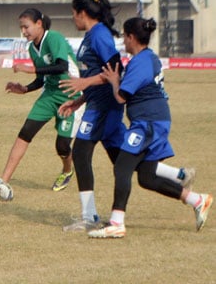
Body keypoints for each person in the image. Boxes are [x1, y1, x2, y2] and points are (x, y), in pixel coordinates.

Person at [57, 0, 195, 232]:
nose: (72, 18)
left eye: (73, 12)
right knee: (125, 163)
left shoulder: (99, 35)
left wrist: (85, 83)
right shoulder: (93, 34)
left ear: (82, 12)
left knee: (80, 153)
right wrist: (79, 100)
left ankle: (90, 217)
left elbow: (115, 70)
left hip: (104, 107)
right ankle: (182, 179)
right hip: (97, 104)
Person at [86, 17, 212, 238]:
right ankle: (198, 200)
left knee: (122, 166)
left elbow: (121, 97)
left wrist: (115, 80)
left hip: (148, 123)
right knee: (147, 177)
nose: (123, 41)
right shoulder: (144, 58)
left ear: (132, 37)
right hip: (153, 121)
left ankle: (117, 223)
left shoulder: (142, 61)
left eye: (125, 36)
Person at [0, 8, 81, 196]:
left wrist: (28, 69)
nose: (23, 31)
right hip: (50, 95)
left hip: (72, 95)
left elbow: (61, 66)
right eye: (21, 27)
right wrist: (25, 89)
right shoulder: (32, 48)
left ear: (39, 23)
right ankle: (3, 180)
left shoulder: (54, 38)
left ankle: (67, 170)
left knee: (62, 145)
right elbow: (42, 78)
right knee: (25, 132)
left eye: (26, 26)